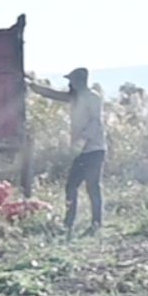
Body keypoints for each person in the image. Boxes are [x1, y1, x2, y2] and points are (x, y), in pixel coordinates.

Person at [29, 67, 105, 235]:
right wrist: (33, 86)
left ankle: (96, 223)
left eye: (71, 80)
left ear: (79, 81)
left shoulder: (93, 97)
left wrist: (83, 141)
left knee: (92, 186)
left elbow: (95, 122)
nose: (69, 83)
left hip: (94, 149)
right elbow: (53, 94)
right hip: (81, 151)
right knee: (71, 186)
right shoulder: (75, 97)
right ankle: (68, 223)